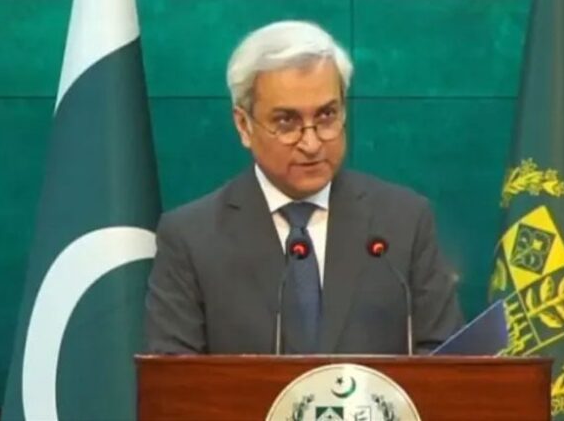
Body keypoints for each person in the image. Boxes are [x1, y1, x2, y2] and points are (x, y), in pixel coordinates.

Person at [145, 20, 463, 355]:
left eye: (326, 116)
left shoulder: (403, 222)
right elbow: (174, 374)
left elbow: (445, 357)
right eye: (286, 122)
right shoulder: (191, 238)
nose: (311, 144)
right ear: (244, 125)